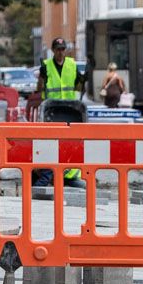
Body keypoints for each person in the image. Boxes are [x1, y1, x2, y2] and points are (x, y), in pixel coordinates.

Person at [35, 38, 86, 189]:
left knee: (71, 143)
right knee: (52, 144)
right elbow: (39, 89)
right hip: (51, 112)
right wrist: (41, 77)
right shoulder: (47, 66)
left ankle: (69, 176)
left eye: (62, 49)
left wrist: (83, 80)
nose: (60, 52)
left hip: (70, 110)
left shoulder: (71, 64)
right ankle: (49, 174)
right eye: (57, 49)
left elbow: (77, 87)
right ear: (53, 50)